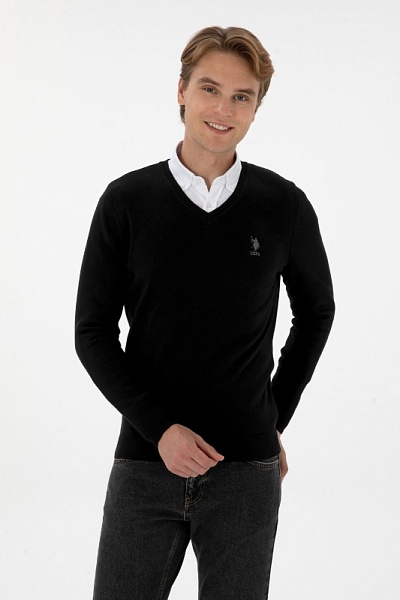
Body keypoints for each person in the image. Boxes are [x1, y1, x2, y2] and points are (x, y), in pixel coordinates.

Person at [75, 25, 335, 600]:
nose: (223, 109)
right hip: (146, 465)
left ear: (257, 107)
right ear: (181, 91)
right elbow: (92, 332)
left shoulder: (283, 206)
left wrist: (271, 418)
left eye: (242, 96)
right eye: (209, 89)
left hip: (247, 474)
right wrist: (161, 430)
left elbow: (317, 312)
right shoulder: (126, 202)